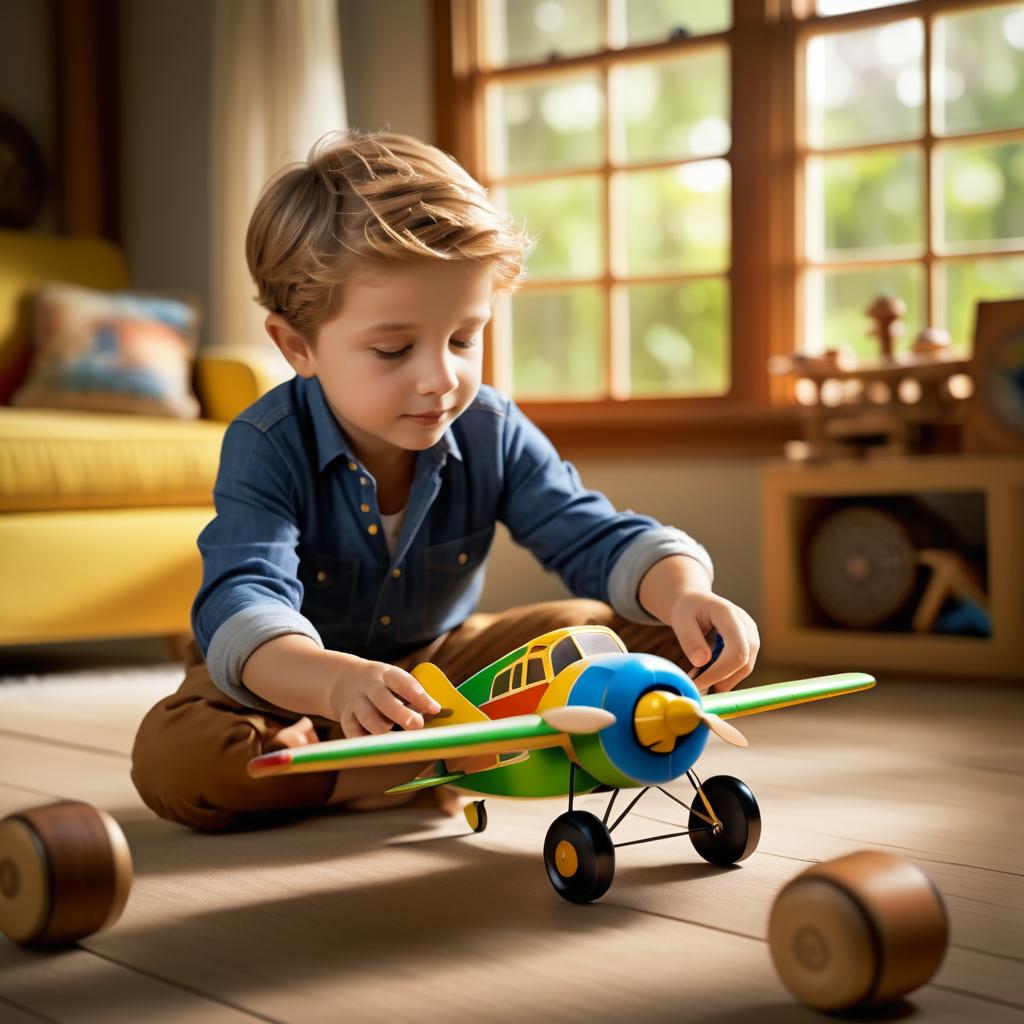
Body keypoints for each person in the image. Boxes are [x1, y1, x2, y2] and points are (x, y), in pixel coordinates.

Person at [131, 131, 760, 831]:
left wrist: (686, 592)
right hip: (297, 682)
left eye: (464, 338)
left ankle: (395, 762)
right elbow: (244, 603)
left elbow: (593, 535)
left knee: (660, 639)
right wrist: (337, 683)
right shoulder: (266, 445)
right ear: (297, 346)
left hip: (443, 676)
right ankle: (426, 767)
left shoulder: (491, 427)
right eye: (395, 349)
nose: (441, 378)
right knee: (178, 759)